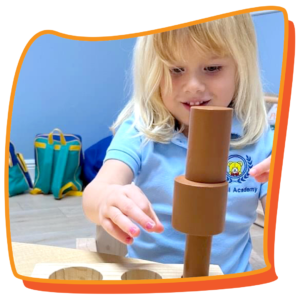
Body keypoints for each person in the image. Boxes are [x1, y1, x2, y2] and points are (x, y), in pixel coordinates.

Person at [83, 13, 274, 275]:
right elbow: (98, 190)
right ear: (153, 71)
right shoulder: (140, 132)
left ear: (241, 67)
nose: (193, 86)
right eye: (175, 70)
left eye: (212, 68)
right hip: (151, 279)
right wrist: (106, 199)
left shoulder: (262, 141)